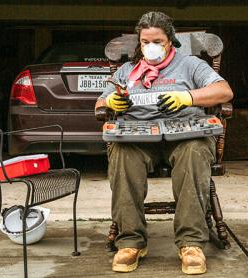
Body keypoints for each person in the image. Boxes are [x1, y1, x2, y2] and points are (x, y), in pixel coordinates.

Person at [95, 11, 233, 275]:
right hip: (137, 137)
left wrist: (187, 98)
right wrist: (111, 102)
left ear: (169, 40)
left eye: (156, 40)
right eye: (145, 41)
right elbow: (100, 104)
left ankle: (191, 243)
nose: (150, 47)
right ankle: (131, 242)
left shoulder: (190, 65)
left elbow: (224, 91)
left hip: (185, 135)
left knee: (194, 152)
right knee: (122, 153)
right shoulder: (127, 70)